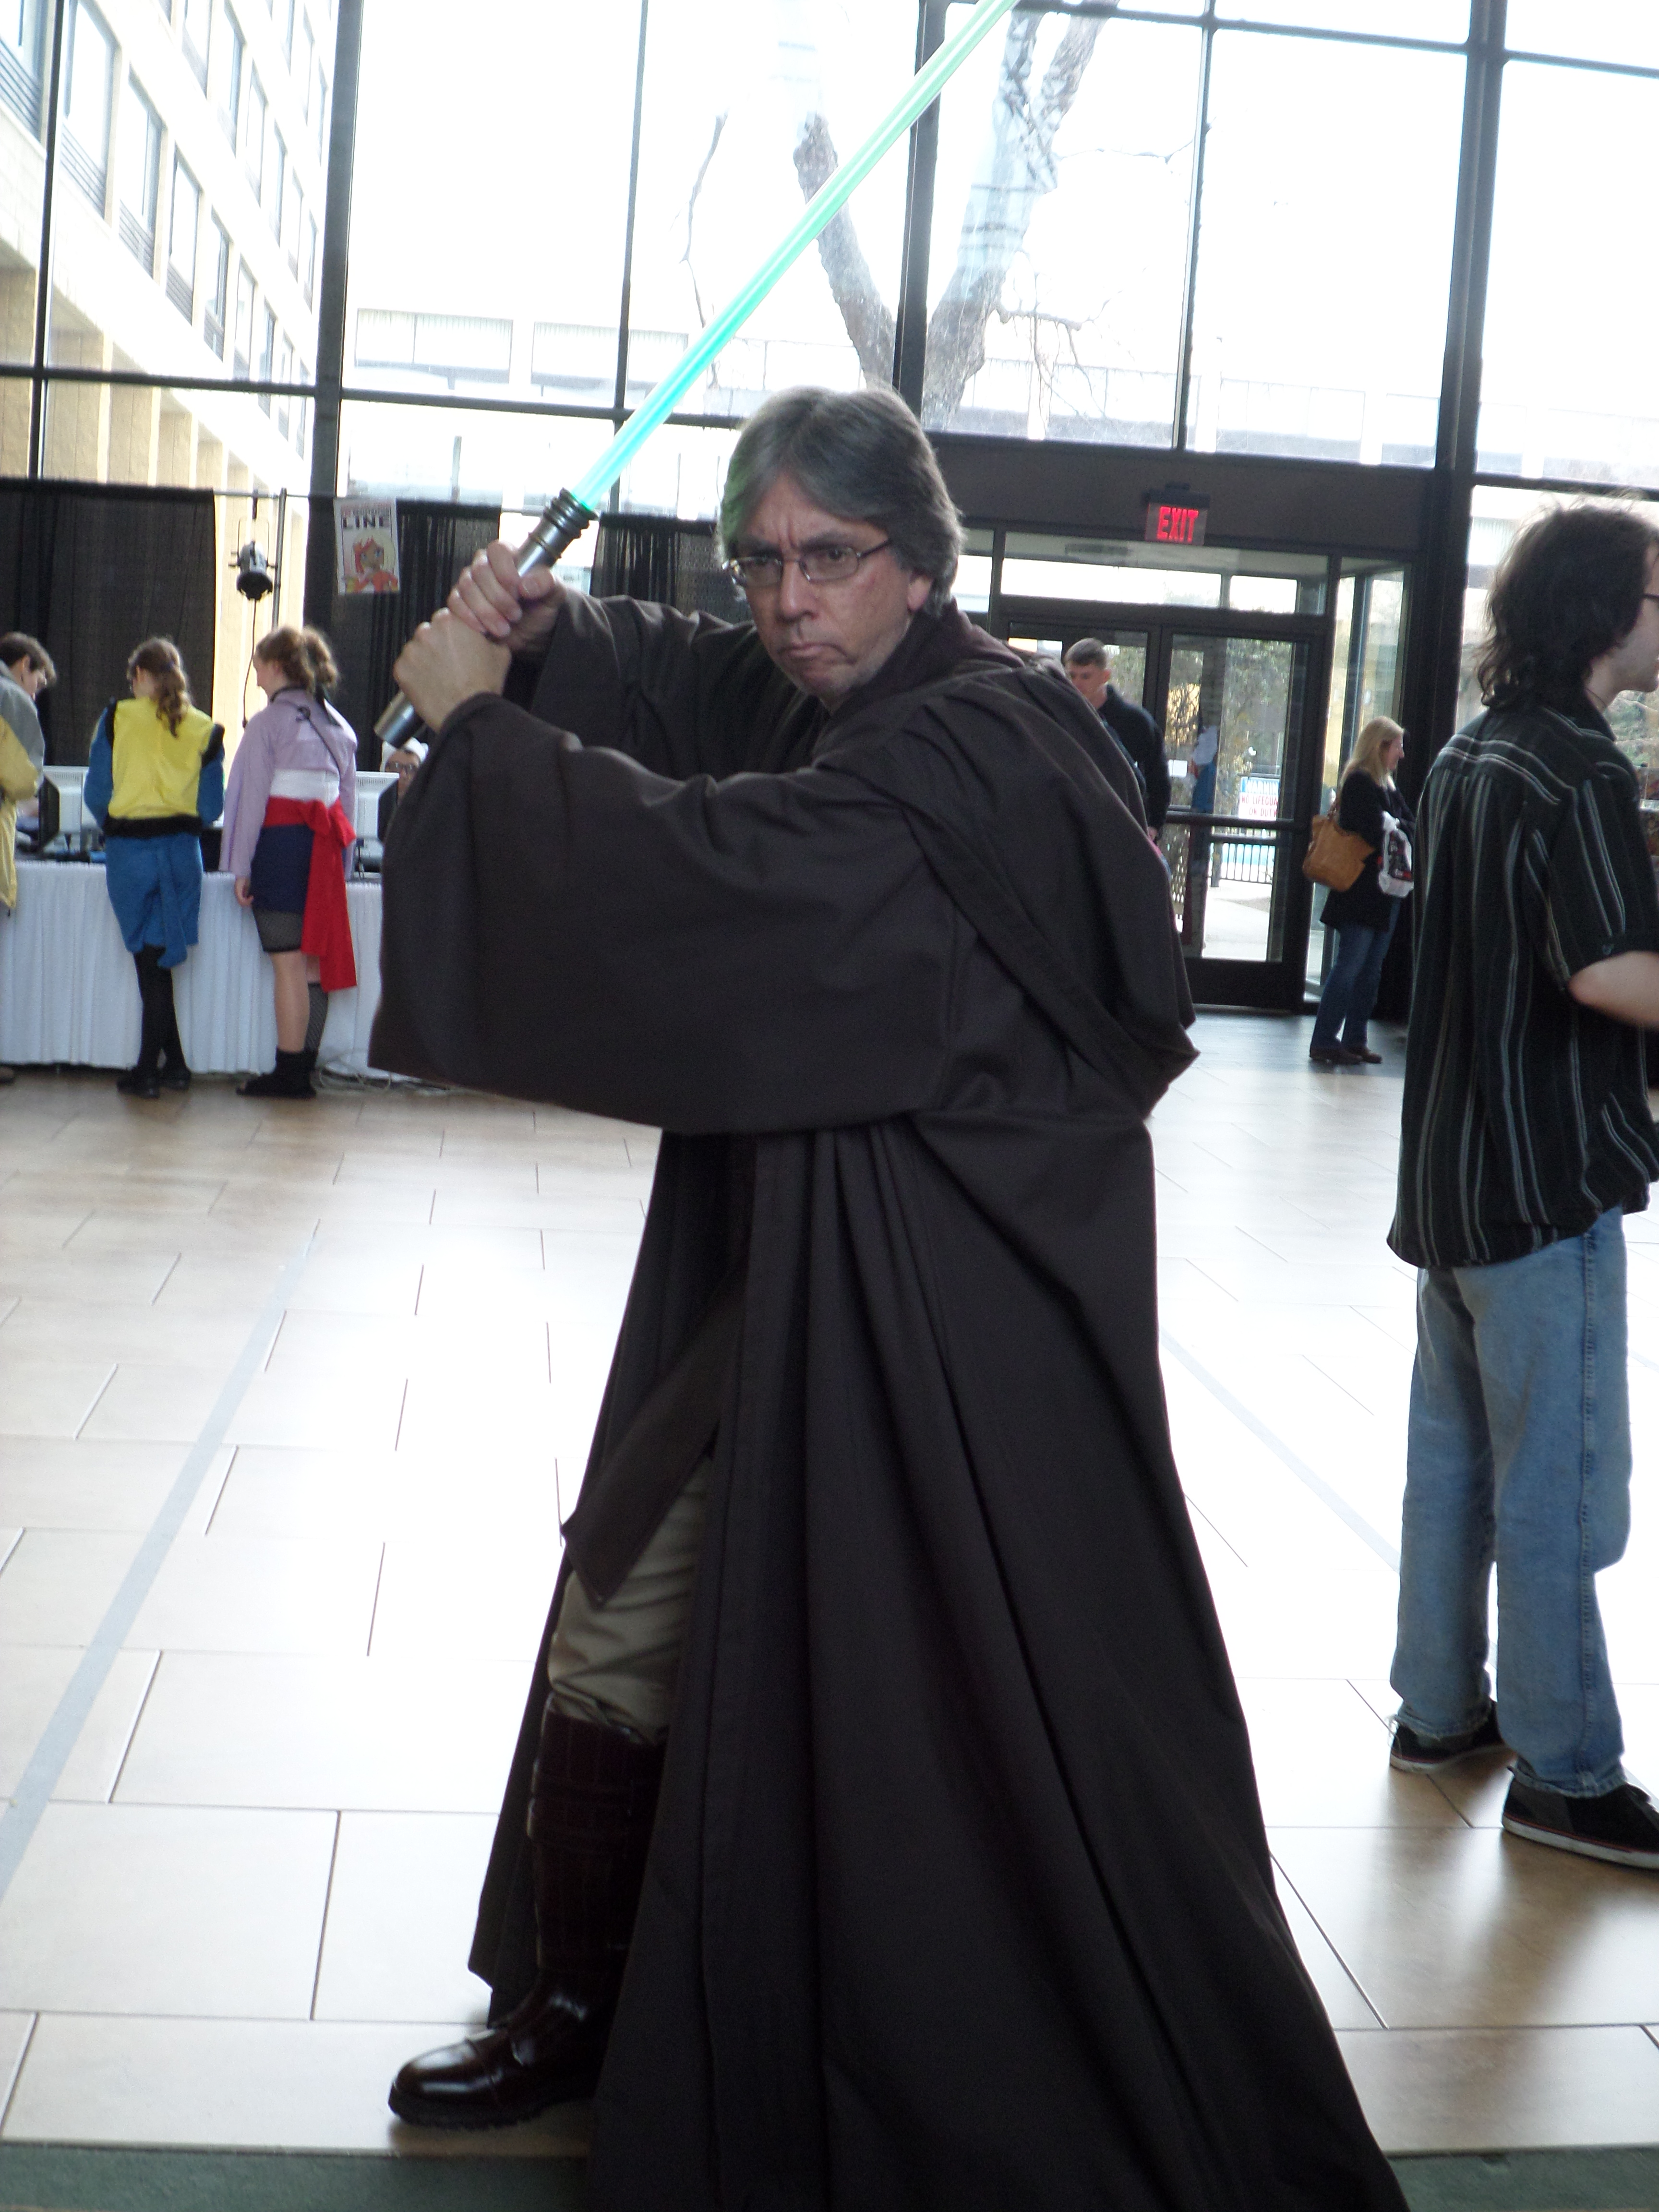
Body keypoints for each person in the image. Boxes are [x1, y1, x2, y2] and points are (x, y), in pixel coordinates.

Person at [371, 386, 1405, 2210]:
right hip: (785, 1268)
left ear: (921, 562)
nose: (788, 599)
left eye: (828, 557)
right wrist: (555, 636)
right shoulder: (853, 688)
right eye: (760, 559)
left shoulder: (975, 752)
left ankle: (892, 2051)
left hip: (931, 1330)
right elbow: (701, 687)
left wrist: (482, 737)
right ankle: (582, 2002)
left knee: (912, 1696)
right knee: (623, 1602)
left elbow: (718, 880)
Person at [1388, 502, 1659, 1871]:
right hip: (1547, 1181)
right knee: (1561, 1487)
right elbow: (1604, 969)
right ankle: (1566, 1773)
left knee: (1452, 1468)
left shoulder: (1468, 750)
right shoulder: (1581, 767)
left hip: (1449, 1178)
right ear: (1605, 610)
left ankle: (1439, 1711)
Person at [219, 625, 357, 1100]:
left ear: (278, 667)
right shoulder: (339, 727)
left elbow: (249, 799)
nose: (256, 674)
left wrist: (240, 866)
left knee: (287, 964)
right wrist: (343, 865)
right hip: (325, 849)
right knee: (313, 965)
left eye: (258, 665)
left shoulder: (267, 724)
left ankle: (287, 1072)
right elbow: (348, 806)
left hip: (280, 848)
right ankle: (304, 1070)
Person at [84, 637, 223, 1100]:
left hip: (131, 854)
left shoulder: (116, 718)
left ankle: (147, 1071)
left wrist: (116, 823)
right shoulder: (206, 728)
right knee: (158, 963)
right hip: (182, 853)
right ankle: (176, 1065)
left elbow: (96, 793)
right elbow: (212, 806)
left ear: (140, 676)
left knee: (150, 964)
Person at [1309, 716, 1412, 1066]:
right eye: (1397, 746)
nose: (1401, 754)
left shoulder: (1388, 786)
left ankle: (1355, 1039)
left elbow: (1409, 824)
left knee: (1371, 971)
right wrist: (1394, 826)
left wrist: (1394, 825)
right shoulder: (1358, 781)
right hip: (1360, 892)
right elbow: (1371, 827)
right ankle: (1325, 1040)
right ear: (1380, 747)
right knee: (1350, 966)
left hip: (1386, 893)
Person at [0, 633, 50, 1086]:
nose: (36, 693)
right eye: (38, 681)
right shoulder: (12, 698)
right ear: (23, 666)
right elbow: (24, 780)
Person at [1062, 636, 1170, 828]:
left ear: (1105, 677)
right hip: (1070, 825)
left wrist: (1153, 826)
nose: (1077, 683)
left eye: (1085, 676)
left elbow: (1158, 780)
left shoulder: (1137, 723)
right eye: (1072, 676)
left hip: (1121, 826)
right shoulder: (1061, 718)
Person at [376, 737, 426, 841]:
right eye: (396, 766)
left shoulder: (427, 812)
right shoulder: (372, 809)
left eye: (411, 769)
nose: (403, 775)